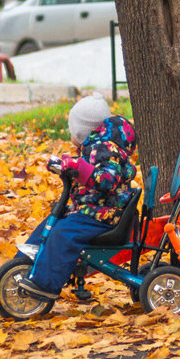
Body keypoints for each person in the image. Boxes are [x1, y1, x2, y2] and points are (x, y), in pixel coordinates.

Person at [17, 93, 138, 302]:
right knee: (50, 225)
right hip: (91, 211)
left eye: (72, 129)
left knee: (63, 234)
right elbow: (88, 167)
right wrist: (66, 165)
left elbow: (107, 179)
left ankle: (45, 284)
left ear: (83, 131)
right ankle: (20, 267)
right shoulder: (94, 148)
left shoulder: (106, 150)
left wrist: (79, 168)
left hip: (104, 216)